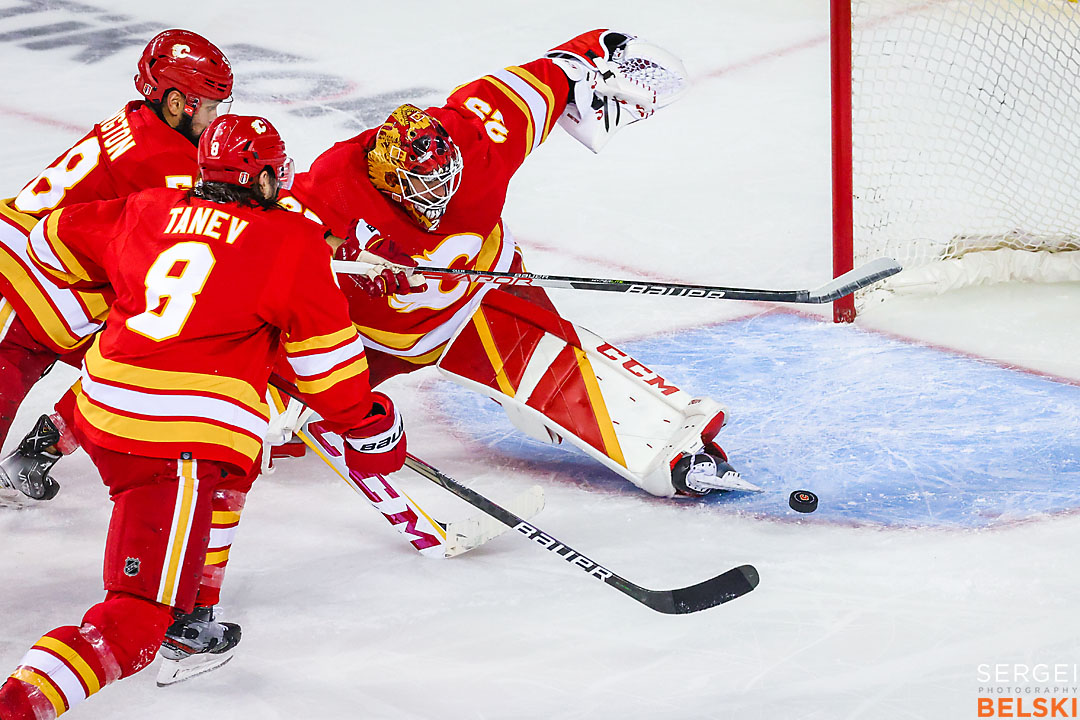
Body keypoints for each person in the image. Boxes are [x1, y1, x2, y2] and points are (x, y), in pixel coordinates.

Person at [0, 114, 406, 719]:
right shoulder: (291, 244)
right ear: (267, 180)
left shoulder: (146, 207)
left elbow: (51, 236)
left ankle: (192, 615)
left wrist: (125, 294)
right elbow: (334, 380)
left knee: (237, 461)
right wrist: (376, 426)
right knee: (132, 623)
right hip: (170, 443)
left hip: (98, 407)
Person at [283, 29, 758, 498]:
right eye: (422, 190)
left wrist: (612, 56)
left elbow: (563, 71)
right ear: (384, 179)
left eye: (444, 182)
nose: (438, 200)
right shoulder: (327, 193)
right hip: (361, 336)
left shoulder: (481, 135)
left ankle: (680, 454)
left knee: (565, 375)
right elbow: (252, 267)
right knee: (239, 413)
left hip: (480, 299)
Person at [0, 28, 233, 504]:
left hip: (51, 264)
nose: (214, 119)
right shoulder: (165, 161)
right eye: (209, 107)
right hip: (30, 274)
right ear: (175, 103)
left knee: (129, 360)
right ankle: (39, 450)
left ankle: (39, 450)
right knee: (29, 366)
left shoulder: (136, 120)